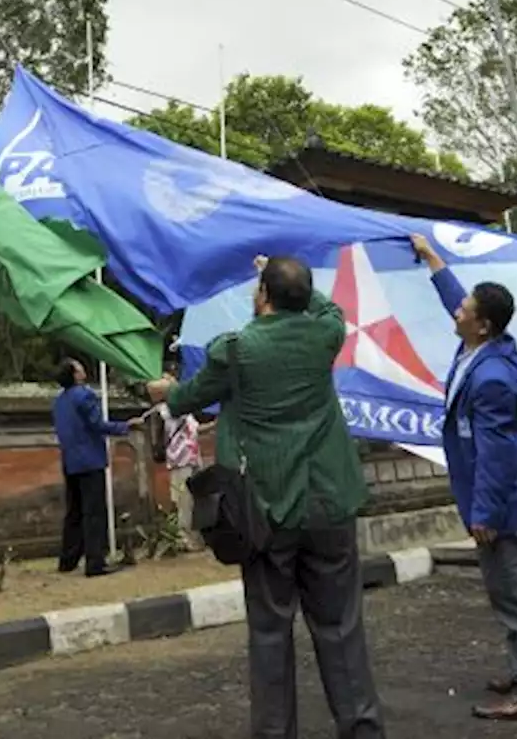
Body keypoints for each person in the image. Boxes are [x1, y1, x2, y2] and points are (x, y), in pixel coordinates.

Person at [145, 255, 384, 738]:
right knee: (341, 627)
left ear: (262, 298)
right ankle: (362, 728)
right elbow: (331, 311)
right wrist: (288, 280)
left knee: (272, 631)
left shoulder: (235, 350)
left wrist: (164, 393)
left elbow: (186, 398)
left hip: (267, 508)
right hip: (328, 502)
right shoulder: (325, 337)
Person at [409, 234, 517, 721]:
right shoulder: (486, 345)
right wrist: (434, 262)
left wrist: (485, 513)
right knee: (508, 592)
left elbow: (495, 453)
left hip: (504, 501)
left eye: (466, 310)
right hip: (502, 494)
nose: (458, 313)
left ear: (483, 325)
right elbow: (457, 302)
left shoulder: (492, 377)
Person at [52, 358, 142, 577]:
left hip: (70, 460)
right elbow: (98, 425)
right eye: (80, 367)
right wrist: (125, 426)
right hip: (90, 460)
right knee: (94, 512)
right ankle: (95, 562)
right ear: (75, 374)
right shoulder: (85, 395)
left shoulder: (59, 401)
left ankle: (68, 560)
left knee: (74, 511)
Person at [156, 367, 213, 551]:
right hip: (179, 459)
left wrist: (214, 425)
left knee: (198, 499)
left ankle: (197, 537)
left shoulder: (185, 410)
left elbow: (195, 430)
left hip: (193, 457)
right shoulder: (167, 410)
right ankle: (184, 538)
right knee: (184, 500)